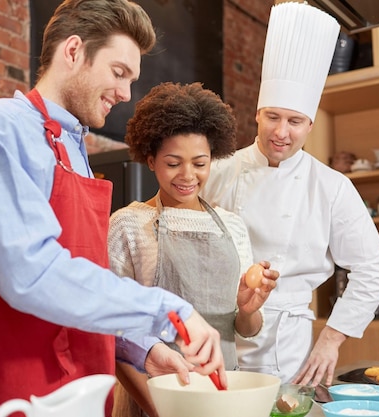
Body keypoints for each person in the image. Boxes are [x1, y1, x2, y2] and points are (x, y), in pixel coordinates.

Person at [0, 2, 225, 417]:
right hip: (16, 388)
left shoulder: (73, 148)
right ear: (73, 51)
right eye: (119, 73)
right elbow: (33, 273)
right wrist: (168, 310)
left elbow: (84, 286)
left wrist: (140, 348)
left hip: (83, 385)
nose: (125, 94)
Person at [201, 2, 379, 387]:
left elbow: (373, 269)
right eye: (273, 116)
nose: (281, 132)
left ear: (310, 125)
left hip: (288, 345)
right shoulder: (217, 170)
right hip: (214, 333)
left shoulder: (332, 186)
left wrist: (332, 338)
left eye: (295, 121)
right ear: (257, 113)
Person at [108, 81, 278, 417]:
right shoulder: (127, 224)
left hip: (222, 396)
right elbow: (110, 332)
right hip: (150, 398)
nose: (188, 175)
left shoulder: (231, 226)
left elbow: (245, 330)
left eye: (200, 163)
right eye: (173, 163)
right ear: (151, 159)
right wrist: (160, 409)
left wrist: (247, 309)